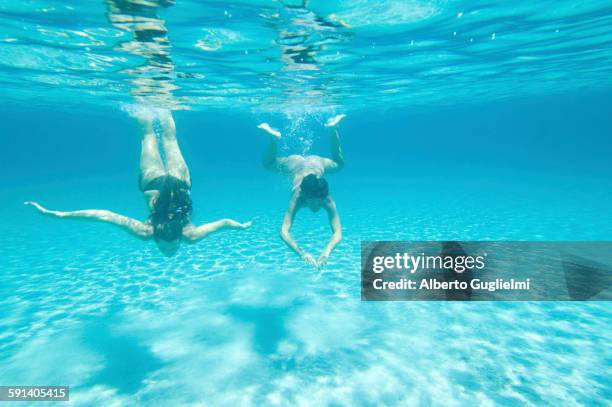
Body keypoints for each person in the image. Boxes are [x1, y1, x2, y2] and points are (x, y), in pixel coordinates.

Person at [26, 110, 251, 256]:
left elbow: (223, 222)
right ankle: (145, 100)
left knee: (167, 139)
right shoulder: (146, 232)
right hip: (154, 182)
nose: (169, 250)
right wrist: (59, 215)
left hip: (178, 182)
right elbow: (105, 215)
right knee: (149, 137)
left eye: (168, 247)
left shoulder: (189, 235)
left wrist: (239, 226)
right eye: (171, 247)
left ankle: (160, 104)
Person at [258, 114, 346, 267]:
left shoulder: (326, 198)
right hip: (295, 164)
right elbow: (283, 232)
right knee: (268, 164)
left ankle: (333, 129)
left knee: (340, 164)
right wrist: (301, 253)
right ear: (304, 195)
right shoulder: (297, 197)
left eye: (318, 204)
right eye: (314, 205)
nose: (317, 208)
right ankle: (274, 138)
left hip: (317, 164)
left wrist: (326, 253)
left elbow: (338, 233)